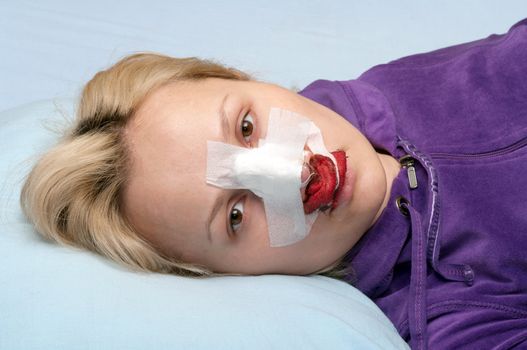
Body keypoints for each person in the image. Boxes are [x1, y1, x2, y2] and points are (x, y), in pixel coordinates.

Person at [20, 18, 527, 349]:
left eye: (245, 126)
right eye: (235, 215)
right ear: (231, 274)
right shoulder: (453, 322)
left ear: (244, 78)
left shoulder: (397, 86)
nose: (293, 172)